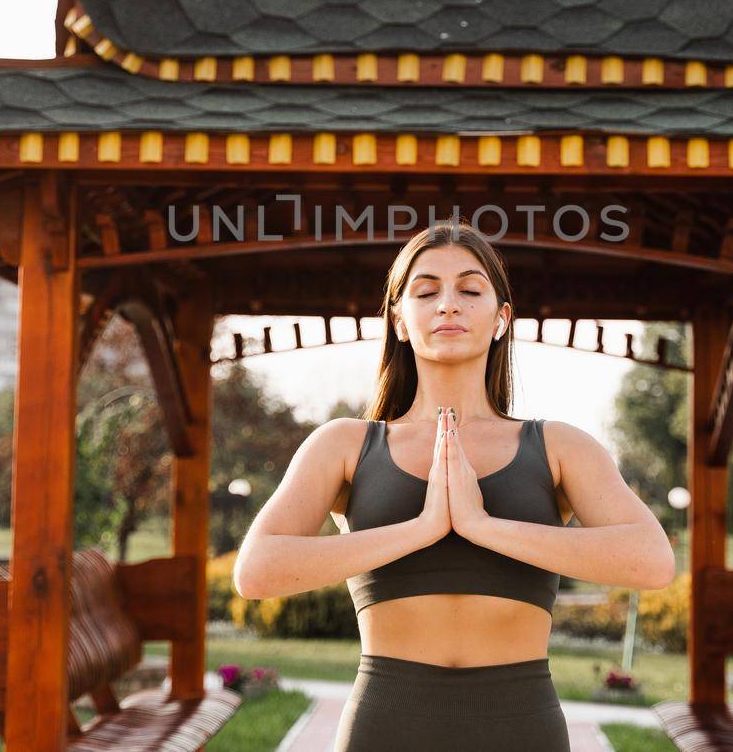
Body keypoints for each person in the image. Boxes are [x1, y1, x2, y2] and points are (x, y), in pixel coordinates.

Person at [233, 218, 676, 751]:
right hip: (385, 725)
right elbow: (256, 572)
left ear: (501, 318)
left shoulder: (558, 446)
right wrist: (423, 528)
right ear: (399, 319)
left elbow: (651, 561)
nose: (448, 304)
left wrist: (480, 525)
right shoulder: (345, 445)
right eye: (426, 291)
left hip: (522, 727)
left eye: (470, 289)